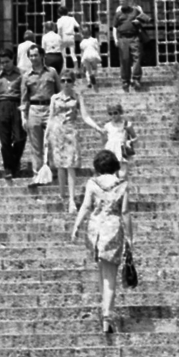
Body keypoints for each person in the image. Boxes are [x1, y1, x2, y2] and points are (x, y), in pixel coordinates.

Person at [71, 148, 132, 336]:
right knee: (110, 276)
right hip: (113, 230)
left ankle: (105, 308)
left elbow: (86, 206)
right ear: (114, 166)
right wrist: (130, 236)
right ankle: (107, 315)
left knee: (101, 271)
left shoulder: (92, 183)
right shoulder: (122, 184)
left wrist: (76, 226)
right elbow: (125, 212)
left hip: (95, 230)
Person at [45, 71, 95, 213]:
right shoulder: (55, 98)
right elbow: (50, 117)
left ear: (73, 82)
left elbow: (85, 116)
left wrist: (97, 127)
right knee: (60, 166)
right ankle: (62, 194)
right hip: (57, 133)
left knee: (70, 166)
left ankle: (72, 199)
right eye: (63, 80)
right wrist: (46, 136)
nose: (66, 83)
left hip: (71, 132)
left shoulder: (77, 97)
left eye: (68, 80)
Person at [20, 46, 59, 181]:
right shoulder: (26, 76)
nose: (33, 58)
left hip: (50, 108)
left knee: (52, 141)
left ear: (42, 56)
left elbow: (58, 92)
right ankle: (37, 173)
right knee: (36, 144)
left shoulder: (52, 72)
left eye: (35, 55)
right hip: (34, 109)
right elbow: (24, 98)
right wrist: (23, 117)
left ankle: (52, 171)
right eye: (31, 56)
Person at [0, 50, 27, 177]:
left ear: (13, 60)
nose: (4, 65)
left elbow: (26, 93)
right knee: (5, 140)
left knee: (20, 137)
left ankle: (15, 161)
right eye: (2, 63)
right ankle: (8, 168)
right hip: (2, 106)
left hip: (17, 104)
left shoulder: (22, 74)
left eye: (7, 62)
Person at [111, 0, 147, 91]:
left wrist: (139, 21)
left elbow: (147, 19)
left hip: (134, 37)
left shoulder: (135, 11)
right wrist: (115, 38)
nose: (121, 3)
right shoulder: (118, 13)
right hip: (123, 38)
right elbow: (114, 27)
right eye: (120, 1)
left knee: (137, 57)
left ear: (128, 1)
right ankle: (125, 80)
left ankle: (136, 78)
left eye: (123, 1)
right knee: (125, 59)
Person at [100, 100, 135, 179]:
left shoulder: (126, 124)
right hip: (110, 149)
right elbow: (104, 141)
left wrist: (130, 142)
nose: (113, 115)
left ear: (120, 112)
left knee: (122, 174)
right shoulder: (107, 126)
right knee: (110, 174)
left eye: (115, 113)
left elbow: (135, 137)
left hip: (121, 149)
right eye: (110, 113)